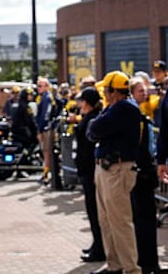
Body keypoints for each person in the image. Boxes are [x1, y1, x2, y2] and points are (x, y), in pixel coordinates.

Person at [87, 71, 140, 274]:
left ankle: (130, 269)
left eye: (106, 90)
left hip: (118, 170)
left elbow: (95, 129)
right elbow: (92, 130)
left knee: (120, 222)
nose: (104, 94)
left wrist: (95, 125)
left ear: (113, 91)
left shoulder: (124, 108)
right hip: (106, 169)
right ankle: (114, 265)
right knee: (106, 220)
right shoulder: (113, 108)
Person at [129, 78, 168, 274]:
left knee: (147, 220)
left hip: (146, 170)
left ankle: (150, 262)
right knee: (142, 218)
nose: (144, 94)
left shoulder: (146, 111)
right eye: (139, 91)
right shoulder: (132, 115)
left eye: (145, 91)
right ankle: (145, 263)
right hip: (140, 173)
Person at [73, 87, 105, 263]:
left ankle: (100, 248)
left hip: (91, 171)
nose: (80, 104)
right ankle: (96, 244)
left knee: (95, 210)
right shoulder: (88, 117)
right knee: (92, 210)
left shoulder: (94, 118)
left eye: (82, 101)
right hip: (86, 170)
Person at [35, 77, 58, 184]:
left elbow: (45, 115)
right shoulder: (43, 97)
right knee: (46, 152)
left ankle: (46, 175)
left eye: (40, 86)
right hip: (46, 127)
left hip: (46, 128)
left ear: (46, 86)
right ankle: (47, 173)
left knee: (47, 152)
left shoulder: (47, 98)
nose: (38, 88)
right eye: (37, 85)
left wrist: (39, 130)